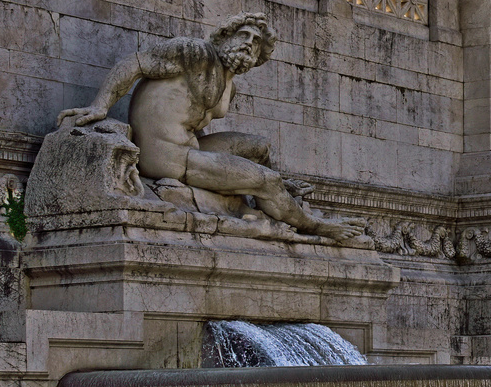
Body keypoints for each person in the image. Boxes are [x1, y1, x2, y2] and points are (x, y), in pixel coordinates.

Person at [55, 13, 357, 243]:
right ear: (225, 36)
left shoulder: (229, 85)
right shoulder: (194, 53)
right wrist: (100, 106)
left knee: (259, 148)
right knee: (267, 179)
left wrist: (228, 166)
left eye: (256, 43)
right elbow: (134, 64)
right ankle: (316, 225)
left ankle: (269, 198)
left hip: (189, 148)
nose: (249, 44)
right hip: (162, 155)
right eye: (244, 35)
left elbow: (195, 125)